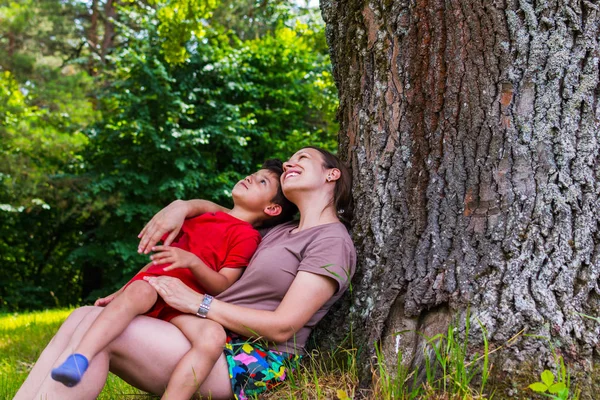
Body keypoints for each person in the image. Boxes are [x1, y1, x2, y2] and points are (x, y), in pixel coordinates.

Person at [15, 146, 356, 400]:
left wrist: (199, 303)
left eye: (302, 159)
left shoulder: (331, 241)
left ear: (331, 174)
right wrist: (182, 206)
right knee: (84, 315)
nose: (288, 163)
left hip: (252, 359)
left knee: (103, 330)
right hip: (210, 334)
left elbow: (284, 326)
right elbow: (231, 217)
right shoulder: (280, 231)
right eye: (288, 161)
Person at [50, 160, 296, 400]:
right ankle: (81, 356)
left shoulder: (247, 237)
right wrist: (120, 292)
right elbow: (157, 264)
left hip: (185, 306)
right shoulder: (202, 216)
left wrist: (192, 262)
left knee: (213, 336)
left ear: (272, 209)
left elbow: (223, 284)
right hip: (155, 287)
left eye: (261, 181)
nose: (250, 177)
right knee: (140, 292)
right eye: (253, 174)